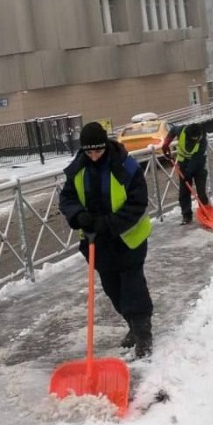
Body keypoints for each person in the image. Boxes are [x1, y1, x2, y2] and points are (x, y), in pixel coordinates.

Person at [59, 121, 154, 358]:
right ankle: (132, 324)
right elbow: (67, 198)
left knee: (133, 287)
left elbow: (138, 202)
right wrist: (78, 216)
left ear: (105, 146)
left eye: (97, 151)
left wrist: (109, 223)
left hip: (128, 238)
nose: (93, 157)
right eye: (88, 152)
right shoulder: (78, 168)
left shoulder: (126, 166)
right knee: (113, 289)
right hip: (96, 242)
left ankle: (143, 334)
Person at [161, 120, 210, 225]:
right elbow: (173, 130)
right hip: (183, 163)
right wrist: (166, 143)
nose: (197, 139)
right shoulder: (182, 130)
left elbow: (197, 159)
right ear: (189, 135)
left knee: (201, 191)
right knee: (184, 192)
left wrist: (188, 172)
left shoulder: (203, 141)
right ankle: (186, 215)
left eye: (198, 137)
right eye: (195, 138)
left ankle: (206, 213)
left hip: (199, 166)